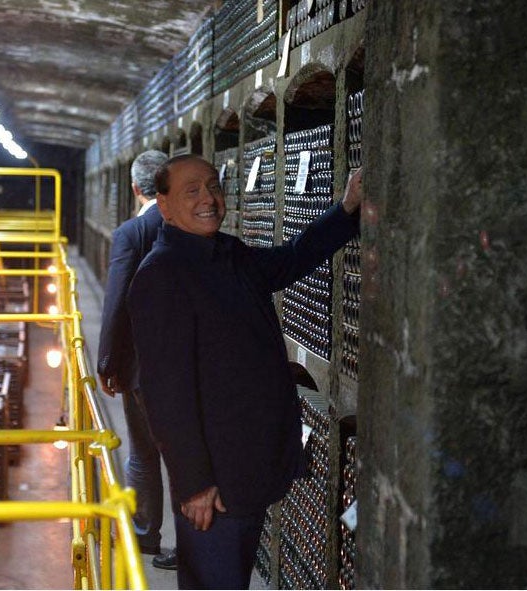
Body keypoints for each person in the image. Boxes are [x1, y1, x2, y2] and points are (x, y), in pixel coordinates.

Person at [127, 154, 362, 589]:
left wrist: (346, 209)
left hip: (247, 467)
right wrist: (194, 484)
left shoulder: (227, 253)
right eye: (191, 191)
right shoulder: (162, 275)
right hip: (215, 486)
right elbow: (163, 395)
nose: (209, 199)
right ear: (163, 205)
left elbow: (292, 259)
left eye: (213, 187)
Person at [96, 149, 177, 570]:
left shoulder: (132, 232)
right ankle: (194, 546)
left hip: (143, 367)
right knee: (188, 456)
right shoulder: (189, 224)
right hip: (186, 364)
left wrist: (107, 361)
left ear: (134, 188)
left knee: (143, 452)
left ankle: (145, 534)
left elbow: (116, 302)